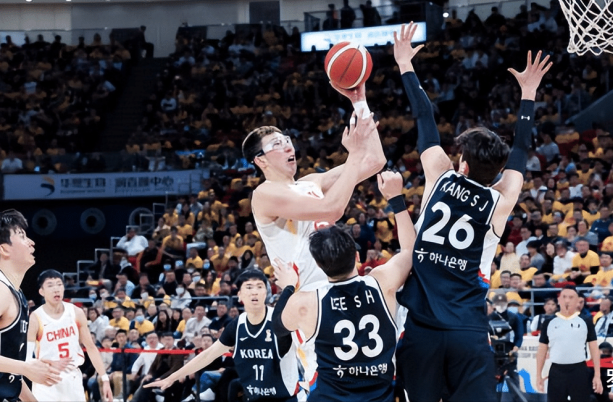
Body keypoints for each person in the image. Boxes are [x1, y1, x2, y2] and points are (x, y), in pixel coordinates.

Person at [393, 23, 552, 402]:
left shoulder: (440, 176)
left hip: (422, 330)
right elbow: (520, 150)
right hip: (468, 331)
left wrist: (405, 65)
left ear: (461, 164)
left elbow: (424, 118)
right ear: (497, 173)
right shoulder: (501, 200)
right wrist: (528, 95)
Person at [271, 170, 415, 402]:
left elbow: (278, 327)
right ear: (356, 255)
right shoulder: (382, 282)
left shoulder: (306, 302)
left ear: (319, 265)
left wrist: (288, 287)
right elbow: (410, 250)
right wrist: (396, 199)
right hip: (380, 396)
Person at [246, 84, 384, 289]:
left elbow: (375, 161)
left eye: (286, 141)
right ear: (261, 160)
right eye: (277, 144)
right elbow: (331, 209)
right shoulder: (264, 194)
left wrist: (359, 103)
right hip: (308, 295)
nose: (288, 147)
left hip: (340, 285)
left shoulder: (312, 181)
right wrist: (354, 154)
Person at [145, 269, 301, 402]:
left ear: (266, 293)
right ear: (239, 295)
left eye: (259, 286)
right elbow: (208, 355)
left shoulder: (280, 319)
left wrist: (289, 287)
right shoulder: (236, 326)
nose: (254, 291)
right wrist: (172, 377)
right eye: (249, 287)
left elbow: (290, 308)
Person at [0, 209, 66, 401]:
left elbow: (9, 378)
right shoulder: (1, 291)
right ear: (4, 249)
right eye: (22, 236)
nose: (31, 242)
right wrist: (26, 368)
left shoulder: (17, 294)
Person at [28, 270, 113, 402]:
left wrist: (104, 378)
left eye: (59, 284)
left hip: (72, 379)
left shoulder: (76, 312)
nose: (56, 289)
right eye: (50, 285)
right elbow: (26, 358)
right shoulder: (35, 318)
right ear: (41, 291)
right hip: (46, 379)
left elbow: (91, 347)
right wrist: (48, 363)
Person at [536, 286, 603, 401]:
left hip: (579, 370)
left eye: (571, 297)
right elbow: (542, 350)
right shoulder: (549, 322)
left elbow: (594, 349)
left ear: (577, 301)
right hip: (556, 371)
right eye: (564, 297)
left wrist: (597, 375)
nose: (567, 300)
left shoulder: (586, 321)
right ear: (559, 300)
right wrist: (538, 375)